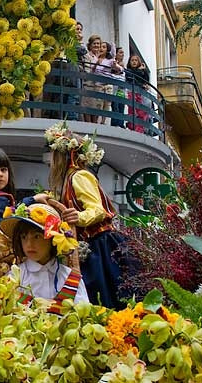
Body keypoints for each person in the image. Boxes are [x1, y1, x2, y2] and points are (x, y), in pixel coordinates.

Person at [41, 122, 129, 309]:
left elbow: (97, 210)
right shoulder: (66, 180)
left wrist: (78, 218)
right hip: (90, 247)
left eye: (52, 154)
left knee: (102, 297)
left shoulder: (79, 176)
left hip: (100, 246)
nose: (49, 160)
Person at [0, 202, 88, 313]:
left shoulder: (69, 278)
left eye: (37, 236)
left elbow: (84, 315)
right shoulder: (14, 277)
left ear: (53, 240)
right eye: (24, 237)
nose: (29, 244)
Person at [125, 55, 151, 133]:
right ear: (129, 62)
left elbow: (146, 80)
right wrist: (140, 72)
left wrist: (145, 70)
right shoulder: (128, 71)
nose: (134, 62)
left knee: (141, 112)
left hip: (139, 93)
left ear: (138, 62)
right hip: (131, 92)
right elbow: (132, 77)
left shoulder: (141, 72)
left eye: (136, 60)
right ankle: (132, 127)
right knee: (132, 110)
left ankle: (139, 129)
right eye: (132, 60)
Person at [110, 47, 126, 128]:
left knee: (121, 108)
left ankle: (121, 124)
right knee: (115, 108)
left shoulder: (123, 69)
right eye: (120, 52)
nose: (122, 54)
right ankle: (115, 124)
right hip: (114, 92)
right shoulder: (112, 65)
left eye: (123, 53)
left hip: (122, 93)